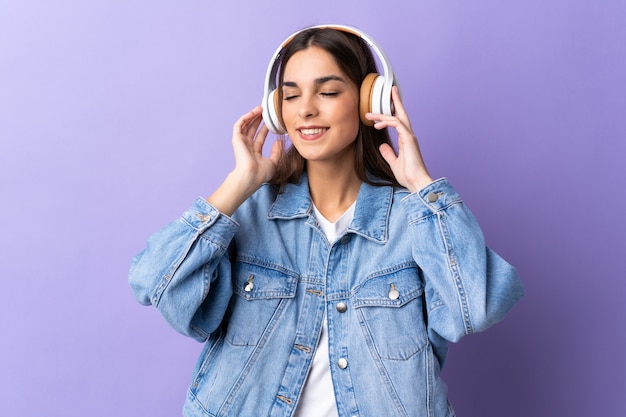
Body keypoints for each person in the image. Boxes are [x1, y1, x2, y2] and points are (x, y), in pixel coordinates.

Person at [129, 24, 524, 417]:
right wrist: (237, 185)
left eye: (329, 92)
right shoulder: (249, 212)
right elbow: (157, 286)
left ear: (373, 100)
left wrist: (423, 187)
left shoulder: (414, 220)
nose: (306, 109)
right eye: (291, 96)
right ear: (276, 110)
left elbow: (478, 306)